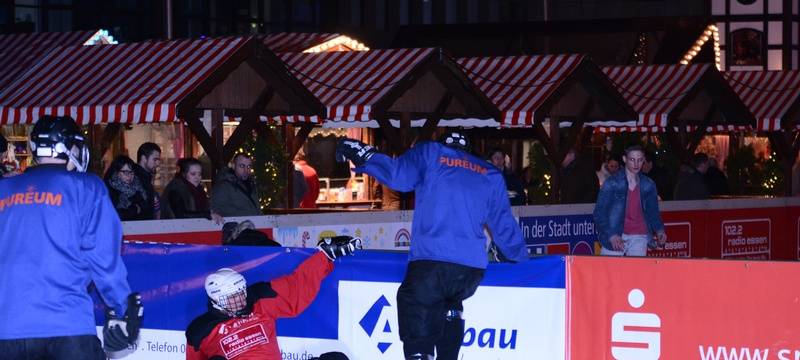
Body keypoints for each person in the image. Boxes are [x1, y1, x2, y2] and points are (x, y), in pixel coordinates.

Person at [335, 131, 529, 360]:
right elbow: (504, 226)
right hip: (470, 272)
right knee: (449, 303)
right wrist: (523, 259)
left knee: (416, 305)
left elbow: (398, 176)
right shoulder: (489, 173)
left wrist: (364, 154)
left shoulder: (431, 153)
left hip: (432, 262)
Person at [0, 115, 143, 359]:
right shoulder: (86, 188)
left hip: (7, 328)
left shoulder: (4, 189)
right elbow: (103, 259)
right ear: (68, 147)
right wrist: (121, 308)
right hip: (67, 324)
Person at [185, 236, 362, 360]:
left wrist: (324, 256)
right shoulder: (200, 330)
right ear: (218, 300)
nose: (240, 300)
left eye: (241, 293)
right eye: (233, 297)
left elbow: (296, 289)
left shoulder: (258, 300)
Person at [593, 144, 667, 256]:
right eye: (632, 159)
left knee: (636, 273)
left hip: (639, 236)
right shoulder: (612, 183)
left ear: (644, 160)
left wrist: (660, 230)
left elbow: (653, 212)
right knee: (610, 272)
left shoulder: (649, 184)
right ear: (624, 159)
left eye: (640, 160)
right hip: (616, 235)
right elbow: (599, 213)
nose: (636, 164)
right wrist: (611, 235)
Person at [162, 157, 224, 224]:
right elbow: (181, 215)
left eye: (199, 174)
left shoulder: (200, 191)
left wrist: (211, 213)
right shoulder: (176, 190)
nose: (197, 177)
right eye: (193, 174)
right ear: (184, 174)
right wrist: (207, 214)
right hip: (175, 230)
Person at [104, 155, 151, 221]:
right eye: (125, 172)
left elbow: (145, 210)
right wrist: (134, 209)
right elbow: (112, 214)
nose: (129, 176)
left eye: (131, 172)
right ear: (117, 172)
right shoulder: (108, 188)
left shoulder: (138, 187)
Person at [134, 142, 161, 219]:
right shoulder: (136, 178)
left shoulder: (145, 178)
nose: (158, 163)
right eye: (155, 159)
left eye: (158, 160)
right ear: (144, 158)